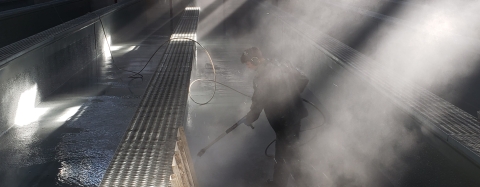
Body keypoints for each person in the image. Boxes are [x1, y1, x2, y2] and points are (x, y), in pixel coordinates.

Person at [241, 47, 309, 187]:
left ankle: (282, 183)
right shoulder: (280, 65)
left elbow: (258, 103)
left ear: (255, 60)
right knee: (292, 149)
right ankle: (298, 181)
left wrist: (250, 118)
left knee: (284, 154)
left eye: (248, 64)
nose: (248, 67)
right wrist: (292, 91)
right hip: (295, 116)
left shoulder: (261, 77)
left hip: (283, 120)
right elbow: (303, 78)